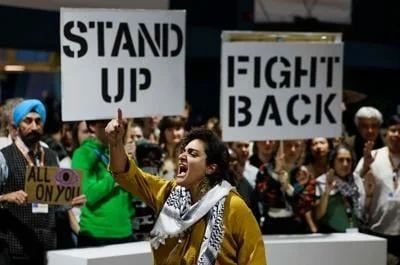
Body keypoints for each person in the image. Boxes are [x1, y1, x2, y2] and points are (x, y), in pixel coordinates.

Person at [105, 109, 266, 265]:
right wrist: (116, 143)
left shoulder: (234, 207)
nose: (182, 156)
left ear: (211, 167)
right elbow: (126, 174)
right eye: (183, 151)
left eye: (193, 154)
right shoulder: (169, 193)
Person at [0, 99, 85, 265]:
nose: (34, 126)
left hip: (47, 247)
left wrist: (70, 202)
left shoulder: (51, 156)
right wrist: (6, 197)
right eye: (28, 121)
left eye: (38, 121)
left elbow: (56, 203)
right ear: (17, 127)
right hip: (14, 249)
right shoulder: (4, 156)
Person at [72, 119, 135, 247]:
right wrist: (117, 168)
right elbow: (89, 196)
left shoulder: (123, 152)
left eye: (116, 123)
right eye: (106, 122)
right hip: (95, 234)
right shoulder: (82, 153)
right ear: (93, 126)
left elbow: (136, 194)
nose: (113, 126)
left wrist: (133, 164)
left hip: (125, 232)